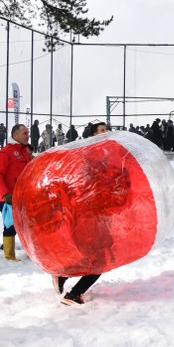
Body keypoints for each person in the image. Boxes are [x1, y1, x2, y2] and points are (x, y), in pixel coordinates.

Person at [54, 121, 110, 305]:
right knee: (100, 258)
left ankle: (63, 275)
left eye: (106, 130)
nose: (105, 133)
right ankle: (74, 294)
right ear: (93, 134)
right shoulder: (88, 155)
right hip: (89, 214)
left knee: (94, 254)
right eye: (101, 131)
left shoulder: (105, 154)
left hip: (99, 213)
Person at [0, 123, 33, 261]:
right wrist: (5, 194)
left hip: (23, 196)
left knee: (26, 225)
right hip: (8, 199)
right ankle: (9, 255)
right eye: (25, 133)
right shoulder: (5, 152)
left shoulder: (26, 151)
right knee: (10, 226)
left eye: (28, 133)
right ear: (15, 135)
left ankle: (31, 252)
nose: (28, 136)